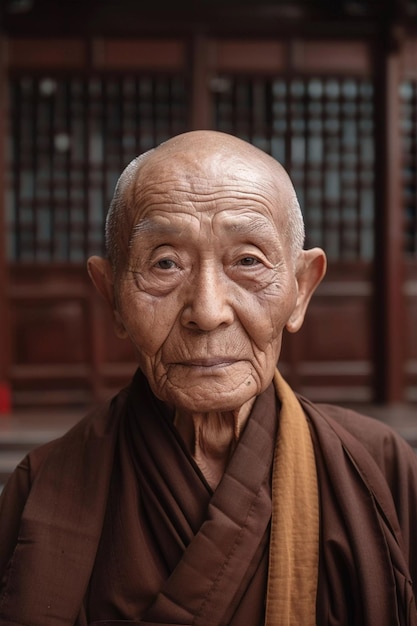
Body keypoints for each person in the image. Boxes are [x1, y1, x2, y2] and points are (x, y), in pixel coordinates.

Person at [0, 130, 416, 626]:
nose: (209, 310)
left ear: (301, 290)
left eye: (247, 261)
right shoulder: (44, 485)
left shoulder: (378, 468)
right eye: (165, 263)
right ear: (111, 295)